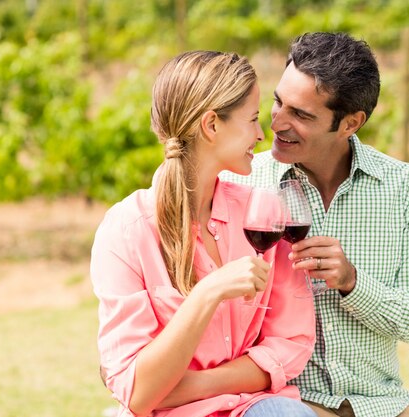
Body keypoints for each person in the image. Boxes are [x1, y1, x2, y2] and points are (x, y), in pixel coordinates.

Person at [221, 32, 409, 417]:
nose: (278, 122)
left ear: (350, 123)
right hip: (286, 404)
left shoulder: (404, 188)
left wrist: (352, 282)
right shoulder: (241, 181)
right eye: (278, 102)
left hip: (381, 406)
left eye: (302, 115)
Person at [90, 50, 317, 417]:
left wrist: (195, 385)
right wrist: (208, 293)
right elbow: (138, 392)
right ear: (211, 125)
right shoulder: (126, 232)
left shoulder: (264, 217)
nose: (261, 135)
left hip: (252, 407)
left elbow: (290, 344)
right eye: (251, 119)